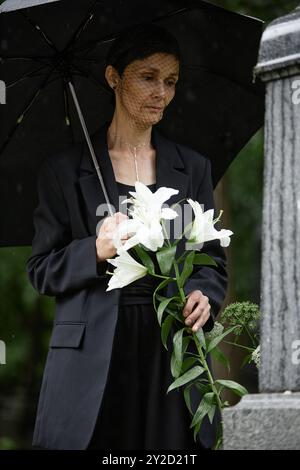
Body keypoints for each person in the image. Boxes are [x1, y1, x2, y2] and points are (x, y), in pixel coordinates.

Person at [26, 22, 228, 450]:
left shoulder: (193, 167)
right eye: (148, 77)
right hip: (94, 353)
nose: (162, 93)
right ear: (114, 76)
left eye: (171, 82)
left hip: (171, 350)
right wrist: (95, 249)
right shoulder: (62, 171)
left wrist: (203, 294)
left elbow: (211, 258)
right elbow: (41, 270)